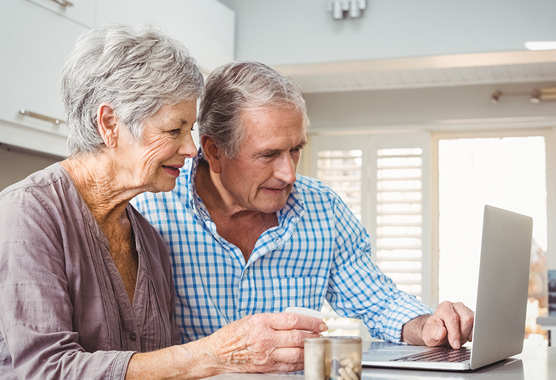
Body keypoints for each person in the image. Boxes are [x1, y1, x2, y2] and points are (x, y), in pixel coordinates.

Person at [0, 26, 326, 380]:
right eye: (174, 130)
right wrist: (214, 354)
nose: (191, 149)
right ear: (110, 124)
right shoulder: (27, 215)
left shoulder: (148, 239)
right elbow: (44, 370)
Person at [132, 60, 475, 350]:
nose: (289, 174)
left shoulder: (322, 208)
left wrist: (429, 324)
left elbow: (378, 302)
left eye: (296, 149)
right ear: (214, 151)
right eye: (269, 154)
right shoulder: (151, 209)